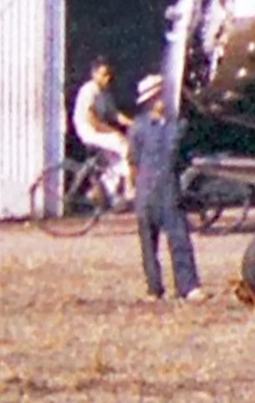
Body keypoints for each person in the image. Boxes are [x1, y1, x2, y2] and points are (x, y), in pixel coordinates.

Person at [127, 74, 205, 302]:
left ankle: (188, 286)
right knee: (148, 244)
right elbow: (133, 161)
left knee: (179, 237)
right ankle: (154, 287)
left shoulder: (178, 125)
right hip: (146, 188)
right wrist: (135, 189)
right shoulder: (138, 127)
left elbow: (184, 154)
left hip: (168, 187)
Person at [73, 56, 132, 197]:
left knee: (117, 161)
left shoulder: (105, 94)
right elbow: (91, 120)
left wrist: (134, 123)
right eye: (104, 74)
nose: (107, 78)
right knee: (125, 146)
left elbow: (115, 115)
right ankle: (129, 188)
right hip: (89, 131)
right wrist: (113, 132)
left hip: (99, 131)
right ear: (94, 74)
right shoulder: (88, 90)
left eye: (109, 75)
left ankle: (105, 194)